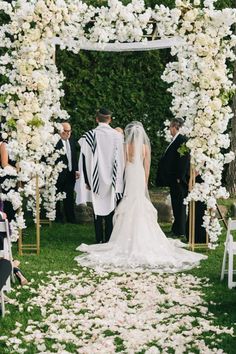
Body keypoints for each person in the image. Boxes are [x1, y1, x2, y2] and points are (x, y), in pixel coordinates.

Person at [75, 121, 206, 272]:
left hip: (130, 174)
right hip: (139, 175)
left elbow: (122, 166)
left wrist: (122, 181)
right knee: (140, 201)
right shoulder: (144, 148)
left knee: (129, 201)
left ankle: (123, 236)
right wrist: (144, 182)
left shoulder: (125, 146)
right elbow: (147, 167)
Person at [75, 108, 125, 243]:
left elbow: (84, 159)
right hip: (113, 178)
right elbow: (121, 160)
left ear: (97, 119)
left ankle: (98, 239)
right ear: (110, 119)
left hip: (95, 178)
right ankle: (109, 238)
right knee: (110, 207)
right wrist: (120, 180)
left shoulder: (89, 136)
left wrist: (86, 180)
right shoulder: (118, 136)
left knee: (97, 207)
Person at [156, 118, 190, 238]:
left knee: (180, 205)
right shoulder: (176, 140)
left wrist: (179, 177)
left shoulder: (182, 140)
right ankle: (176, 229)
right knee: (176, 204)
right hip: (173, 179)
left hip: (178, 180)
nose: (169, 129)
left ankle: (180, 231)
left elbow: (184, 160)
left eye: (170, 127)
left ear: (175, 126)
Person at [55, 122, 79, 223]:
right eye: (65, 131)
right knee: (57, 196)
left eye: (69, 131)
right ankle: (58, 217)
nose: (68, 133)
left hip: (70, 173)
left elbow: (74, 157)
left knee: (69, 196)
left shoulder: (72, 141)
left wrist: (76, 169)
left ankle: (70, 217)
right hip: (58, 173)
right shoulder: (55, 142)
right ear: (60, 131)